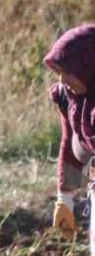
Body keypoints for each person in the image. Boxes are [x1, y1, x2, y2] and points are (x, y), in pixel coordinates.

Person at [45, 24, 95, 241]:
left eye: (69, 73)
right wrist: (65, 198)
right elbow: (70, 144)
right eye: (59, 73)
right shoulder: (70, 98)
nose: (62, 81)